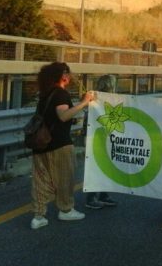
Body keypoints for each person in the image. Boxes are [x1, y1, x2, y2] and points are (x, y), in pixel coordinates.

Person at [30, 62, 96, 230]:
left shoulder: (45, 94)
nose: (69, 75)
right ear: (61, 76)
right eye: (66, 72)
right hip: (59, 144)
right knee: (65, 178)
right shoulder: (60, 94)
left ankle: (38, 216)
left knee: (41, 180)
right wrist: (84, 103)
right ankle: (66, 210)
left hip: (40, 144)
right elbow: (63, 116)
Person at [85, 75, 118, 210]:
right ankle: (91, 197)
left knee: (107, 166)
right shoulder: (96, 99)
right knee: (95, 166)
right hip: (96, 137)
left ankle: (104, 194)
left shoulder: (110, 99)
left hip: (106, 137)